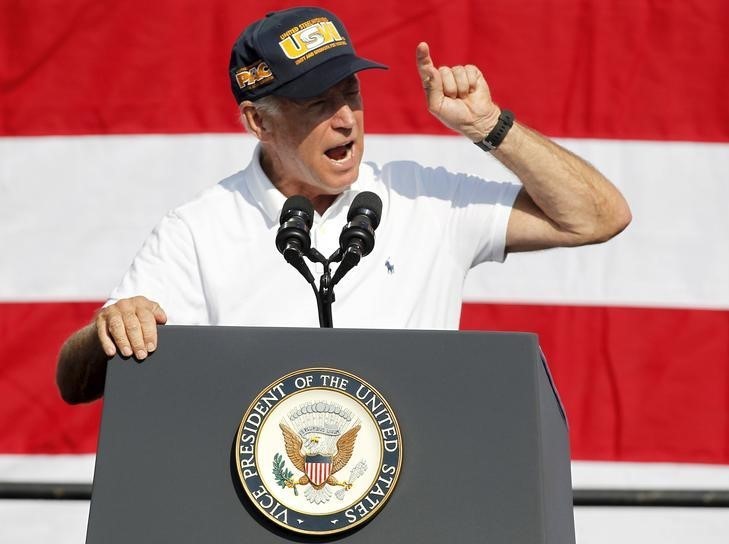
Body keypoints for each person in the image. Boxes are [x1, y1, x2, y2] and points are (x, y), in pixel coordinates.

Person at [56, 7, 630, 404]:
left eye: (350, 92)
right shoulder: (198, 230)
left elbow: (597, 217)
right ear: (259, 120)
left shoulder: (425, 198)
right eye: (316, 101)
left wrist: (490, 126)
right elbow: (74, 381)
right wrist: (110, 327)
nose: (346, 118)